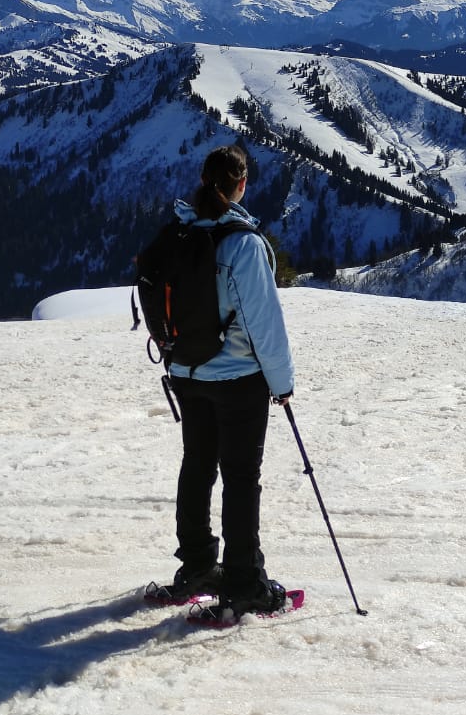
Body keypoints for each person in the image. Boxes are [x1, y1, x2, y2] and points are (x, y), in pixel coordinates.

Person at [155, 144, 295, 619]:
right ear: (241, 185)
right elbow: (264, 324)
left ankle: (196, 566)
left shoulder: (179, 231)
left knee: (197, 465)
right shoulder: (243, 243)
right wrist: (281, 384)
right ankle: (243, 584)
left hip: (185, 373)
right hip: (237, 379)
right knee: (240, 477)